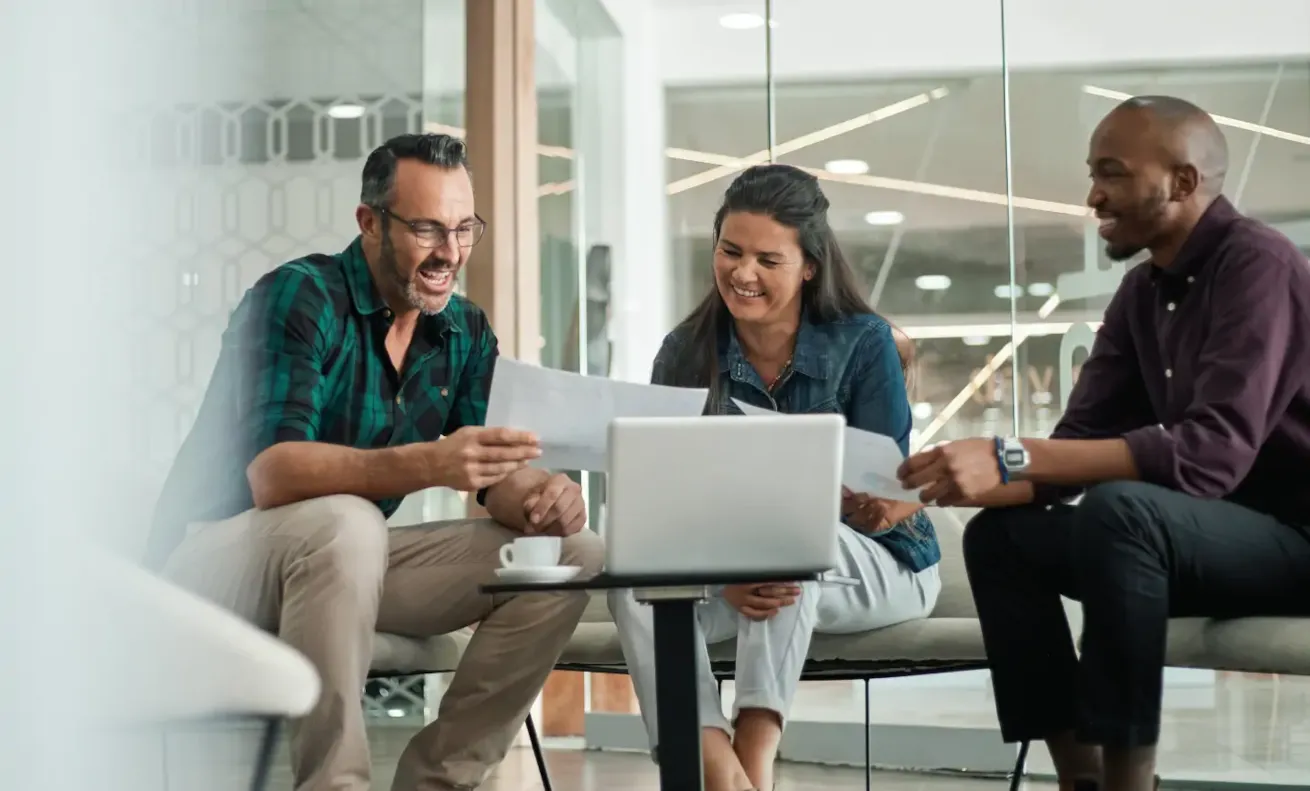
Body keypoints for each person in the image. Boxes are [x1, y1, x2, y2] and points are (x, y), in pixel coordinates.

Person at [145, 133, 605, 791]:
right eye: (426, 229)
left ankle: (439, 781)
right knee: (347, 520)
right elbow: (273, 474)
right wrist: (430, 463)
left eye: (463, 228)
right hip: (212, 563)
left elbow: (487, 468)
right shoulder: (297, 298)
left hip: (340, 564)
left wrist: (539, 492)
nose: (449, 251)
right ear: (369, 223)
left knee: (573, 550)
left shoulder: (462, 331)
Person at [897, 96, 1310, 791]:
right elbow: (1076, 447)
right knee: (1003, 538)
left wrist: (1012, 455)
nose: (1093, 195)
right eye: (1094, 173)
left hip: (1293, 538)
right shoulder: (1141, 294)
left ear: (1183, 182)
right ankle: (1079, 775)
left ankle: (1129, 783)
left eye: (1112, 174)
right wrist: (933, 484)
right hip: (1195, 540)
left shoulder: (1259, 266)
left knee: (1122, 511)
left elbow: (1211, 453)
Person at [609, 164, 942, 791]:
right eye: (730, 251)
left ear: (808, 265)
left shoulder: (864, 342)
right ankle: (716, 767)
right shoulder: (684, 351)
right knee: (634, 583)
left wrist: (875, 502)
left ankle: (755, 757)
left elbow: (890, 486)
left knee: (783, 542)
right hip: (730, 566)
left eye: (768, 259)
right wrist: (721, 568)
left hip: (878, 562)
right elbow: (664, 496)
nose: (743, 273)